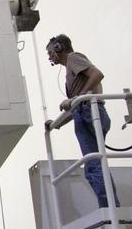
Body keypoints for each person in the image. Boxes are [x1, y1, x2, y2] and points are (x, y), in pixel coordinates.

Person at [43, 35, 112, 208]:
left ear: (60, 47)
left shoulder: (74, 58)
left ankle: (110, 208)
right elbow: (76, 103)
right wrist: (56, 123)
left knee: (94, 166)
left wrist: (79, 97)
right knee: (94, 165)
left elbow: (97, 74)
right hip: (84, 112)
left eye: (51, 52)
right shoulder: (69, 70)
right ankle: (110, 206)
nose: (50, 56)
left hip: (89, 112)